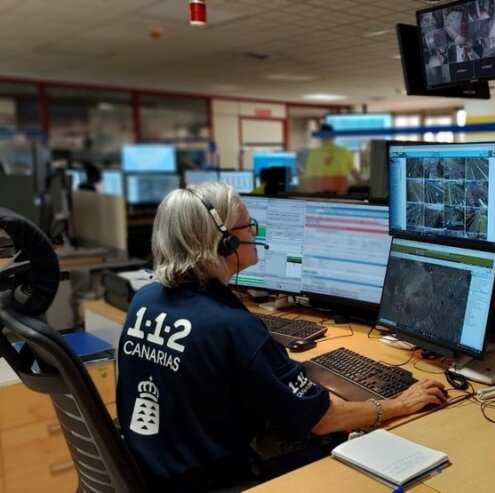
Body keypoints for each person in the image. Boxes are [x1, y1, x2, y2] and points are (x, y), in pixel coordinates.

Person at [116, 182, 446, 492]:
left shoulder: (145, 300)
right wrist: (399, 404)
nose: (256, 232)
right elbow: (322, 419)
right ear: (224, 242)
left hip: (156, 471)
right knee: (344, 444)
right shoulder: (233, 328)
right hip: (215, 481)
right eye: (248, 226)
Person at [300, 124, 362, 194]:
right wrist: (365, 186)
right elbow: (354, 173)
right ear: (334, 136)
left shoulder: (313, 154)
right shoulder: (344, 152)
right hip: (340, 195)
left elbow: (310, 180)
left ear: (320, 137)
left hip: (320, 195)